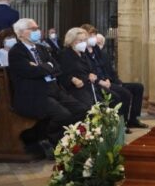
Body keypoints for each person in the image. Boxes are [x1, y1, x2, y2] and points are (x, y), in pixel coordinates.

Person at [8, 18, 89, 155]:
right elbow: (32, 72)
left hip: (53, 89)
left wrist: (43, 67)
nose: (37, 31)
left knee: (81, 109)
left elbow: (57, 68)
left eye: (37, 28)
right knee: (63, 115)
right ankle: (50, 141)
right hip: (33, 94)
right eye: (32, 29)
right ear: (20, 33)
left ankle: (69, 141)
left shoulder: (42, 49)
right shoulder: (16, 51)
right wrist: (45, 67)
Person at [80, 24, 133, 131]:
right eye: (91, 35)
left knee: (126, 94)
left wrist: (107, 79)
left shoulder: (95, 49)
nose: (93, 38)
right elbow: (89, 72)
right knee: (116, 97)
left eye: (94, 35)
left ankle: (124, 122)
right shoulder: (83, 51)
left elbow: (102, 66)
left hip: (104, 80)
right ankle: (115, 125)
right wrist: (101, 82)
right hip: (95, 83)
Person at [95, 33, 147, 128]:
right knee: (124, 93)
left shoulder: (105, 55)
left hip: (113, 82)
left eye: (100, 43)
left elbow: (112, 72)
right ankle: (123, 122)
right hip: (104, 83)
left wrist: (119, 82)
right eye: (96, 43)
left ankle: (133, 119)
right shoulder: (93, 56)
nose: (98, 45)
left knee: (138, 87)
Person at [58, 28, 102, 108]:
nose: (83, 43)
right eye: (80, 40)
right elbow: (61, 74)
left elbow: (91, 69)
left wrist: (92, 74)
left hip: (89, 85)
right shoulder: (65, 54)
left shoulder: (83, 53)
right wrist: (72, 79)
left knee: (105, 102)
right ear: (71, 41)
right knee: (89, 107)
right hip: (75, 88)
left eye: (84, 40)